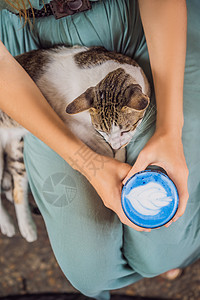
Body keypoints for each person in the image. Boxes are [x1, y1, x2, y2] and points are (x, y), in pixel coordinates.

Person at [0, 0, 199, 299]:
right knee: (89, 275)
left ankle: (166, 259)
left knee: (163, 250)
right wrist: (86, 162)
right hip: (26, 60)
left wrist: (170, 130)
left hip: (137, 26)